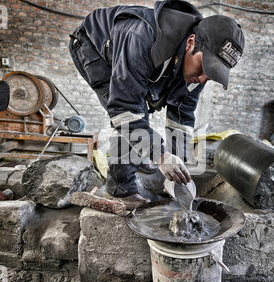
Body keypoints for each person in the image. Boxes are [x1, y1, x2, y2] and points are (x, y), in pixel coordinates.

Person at [69, 0, 245, 207]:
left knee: (147, 123)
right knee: (133, 115)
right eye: (205, 67)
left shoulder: (197, 71)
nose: (203, 79)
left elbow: (182, 115)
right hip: (93, 47)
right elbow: (125, 110)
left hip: (149, 57)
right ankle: (120, 190)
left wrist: (179, 167)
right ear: (191, 42)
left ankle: (142, 153)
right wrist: (161, 155)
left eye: (212, 74)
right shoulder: (141, 37)